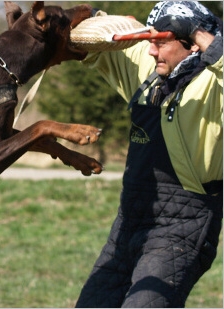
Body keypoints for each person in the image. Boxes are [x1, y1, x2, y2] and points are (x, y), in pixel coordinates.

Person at [75, 1, 223, 307]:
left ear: (192, 45)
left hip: (184, 225)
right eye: (150, 42)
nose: (152, 51)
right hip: (129, 220)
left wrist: (197, 30)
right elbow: (88, 36)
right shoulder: (151, 67)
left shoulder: (215, 84)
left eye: (161, 43)